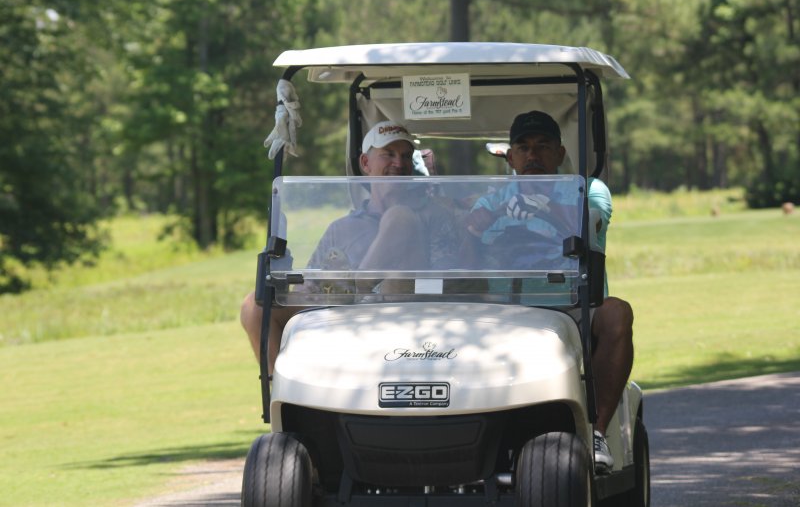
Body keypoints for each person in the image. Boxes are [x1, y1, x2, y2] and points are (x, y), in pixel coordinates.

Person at [465, 110, 634, 474]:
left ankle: (596, 432)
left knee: (617, 313)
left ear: (559, 153)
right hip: (504, 307)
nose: (533, 155)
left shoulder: (587, 189)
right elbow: (466, 249)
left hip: (571, 304)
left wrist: (544, 207)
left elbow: (588, 231)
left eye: (543, 146)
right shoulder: (493, 198)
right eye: (523, 148)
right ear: (510, 158)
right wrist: (478, 226)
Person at [239, 120, 459, 374]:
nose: (399, 163)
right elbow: (311, 285)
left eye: (406, 156)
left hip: (408, 316)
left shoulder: (436, 214)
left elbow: (452, 280)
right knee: (255, 307)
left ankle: (358, 289)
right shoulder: (342, 228)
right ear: (365, 163)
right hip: (345, 320)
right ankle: (281, 389)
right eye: (388, 154)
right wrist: (308, 288)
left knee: (399, 218)